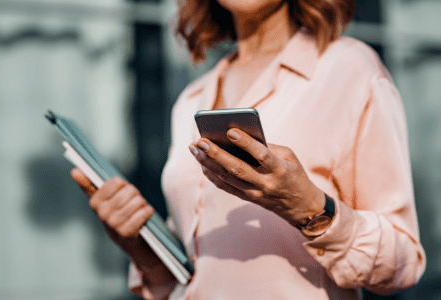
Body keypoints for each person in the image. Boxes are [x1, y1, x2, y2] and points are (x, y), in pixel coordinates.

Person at [72, 0, 427, 299]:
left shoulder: (350, 69)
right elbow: (190, 277)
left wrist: (309, 208)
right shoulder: (191, 100)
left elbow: (403, 262)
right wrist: (140, 245)